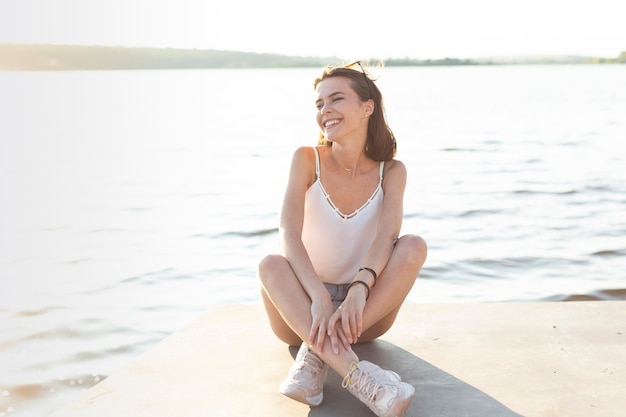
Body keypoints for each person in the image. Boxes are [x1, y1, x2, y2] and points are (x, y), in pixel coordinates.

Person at [257, 61, 427, 417]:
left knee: (413, 246)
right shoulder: (306, 159)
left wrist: (358, 291)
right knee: (270, 264)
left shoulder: (392, 171)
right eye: (319, 104)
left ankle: (315, 353)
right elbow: (288, 232)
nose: (325, 110)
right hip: (302, 309)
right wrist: (318, 297)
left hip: (362, 314)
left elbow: (387, 236)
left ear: (368, 107)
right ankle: (360, 376)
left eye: (336, 99)